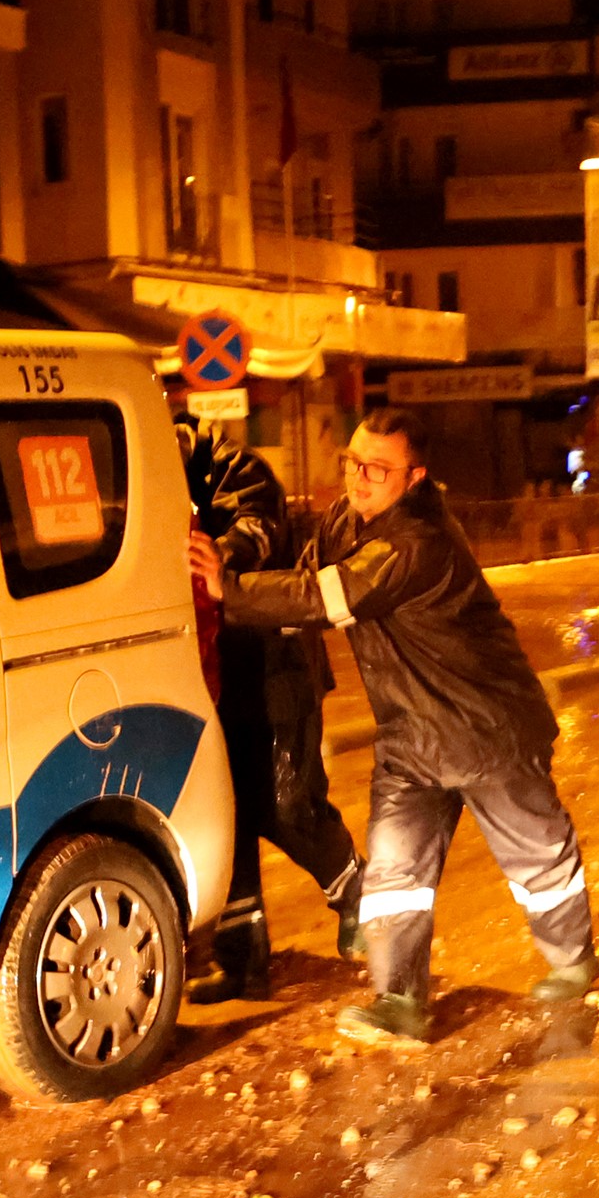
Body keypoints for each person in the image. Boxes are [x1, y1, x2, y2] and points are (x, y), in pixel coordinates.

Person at [192, 406, 593, 1048]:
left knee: (537, 855)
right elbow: (303, 580)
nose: (360, 478)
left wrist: (230, 591)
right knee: (393, 874)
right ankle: (399, 1000)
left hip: (485, 730)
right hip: (410, 735)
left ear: (414, 477)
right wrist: (245, 586)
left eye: (378, 469)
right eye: (353, 463)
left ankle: (572, 961)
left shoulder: (419, 542)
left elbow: (334, 593)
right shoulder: (349, 519)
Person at [180, 410, 363, 999]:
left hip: (276, 667)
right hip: (215, 672)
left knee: (289, 804)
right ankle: (242, 955)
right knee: (228, 809)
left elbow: (259, 526)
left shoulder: (235, 466)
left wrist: (219, 556)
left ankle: (361, 901)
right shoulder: (155, 490)